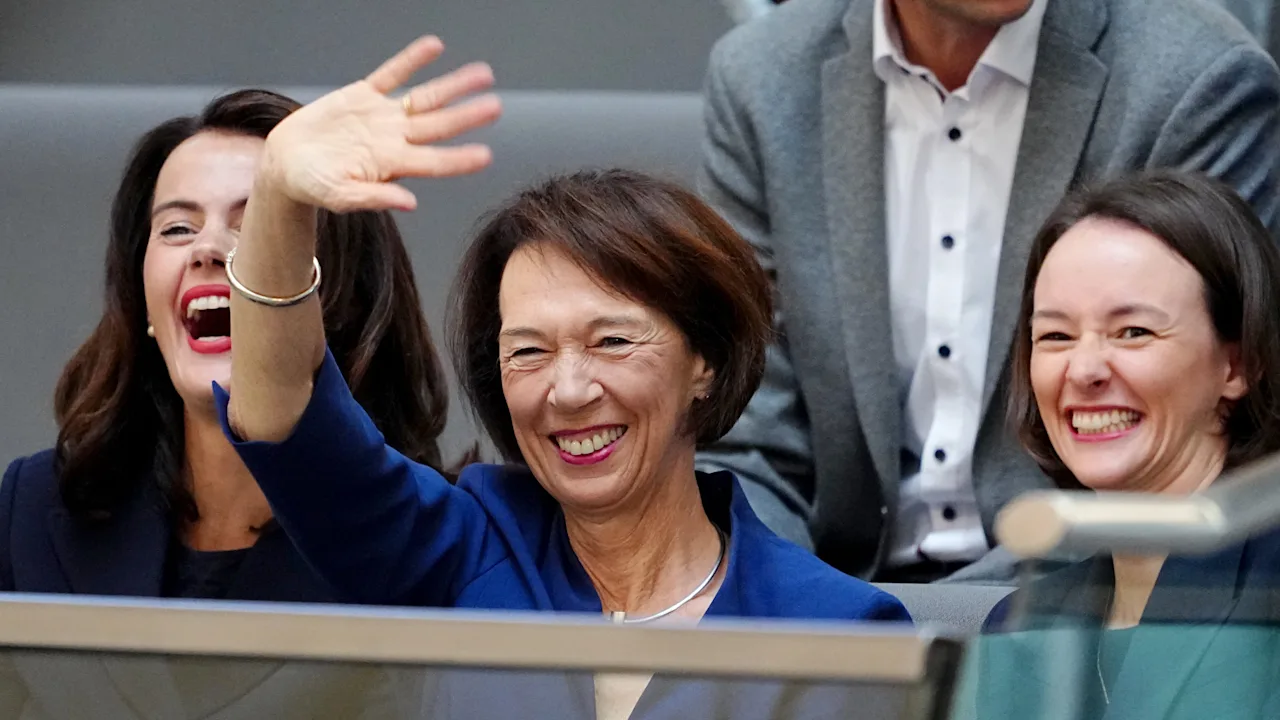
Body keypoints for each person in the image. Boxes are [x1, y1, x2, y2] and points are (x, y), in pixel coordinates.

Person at [215, 36, 907, 720]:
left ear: (706, 361)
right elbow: (287, 420)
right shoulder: (465, 551)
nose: (569, 391)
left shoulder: (834, 629)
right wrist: (277, 197)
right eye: (528, 352)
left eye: (612, 342)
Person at [694, 0, 1280, 582]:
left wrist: (914, 625)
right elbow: (749, 439)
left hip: (1078, 592)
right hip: (827, 590)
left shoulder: (1194, 78)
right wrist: (801, 603)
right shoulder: (761, 79)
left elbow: (1190, 453)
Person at [0, 87, 479, 718]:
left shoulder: (427, 542)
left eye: (256, 225)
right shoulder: (33, 510)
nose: (209, 249)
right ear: (142, 299)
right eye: (177, 227)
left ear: (335, 289)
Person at [961, 171, 1280, 719]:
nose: (1084, 370)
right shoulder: (1021, 625)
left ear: (1238, 364)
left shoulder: (1268, 597)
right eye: (1056, 336)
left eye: (1133, 332)